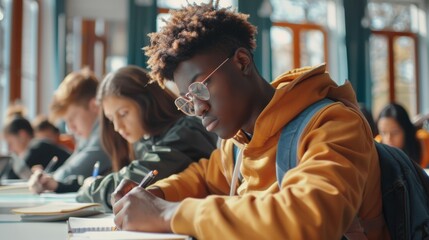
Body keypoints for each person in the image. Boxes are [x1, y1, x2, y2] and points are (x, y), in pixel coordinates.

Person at [110, 2, 390, 239]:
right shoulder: (236, 143)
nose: (198, 108)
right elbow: (203, 179)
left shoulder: (332, 122)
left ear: (241, 62)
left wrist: (167, 213)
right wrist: (153, 195)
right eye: (187, 100)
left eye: (199, 88)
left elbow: (313, 217)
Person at [74, 66, 217, 211]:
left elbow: (133, 179)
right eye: (111, 119)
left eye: (123, 114)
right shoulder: (145, 140)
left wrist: (91, 188)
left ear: (147, 103)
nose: (117, 127)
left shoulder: (186, 132)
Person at [28, 68, 111, 193]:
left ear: (94, 106)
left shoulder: (106, 135)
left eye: (72, 119)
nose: (71, 128)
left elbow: (72, 172)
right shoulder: (87, 137)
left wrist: (46, 180)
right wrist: (48, 179)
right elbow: (69, 167)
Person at [2, 115, 71, 179]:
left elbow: (12, 177)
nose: (9, 148)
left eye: (10, 143)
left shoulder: (37, 147)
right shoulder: (39, 146)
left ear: (22, 135)